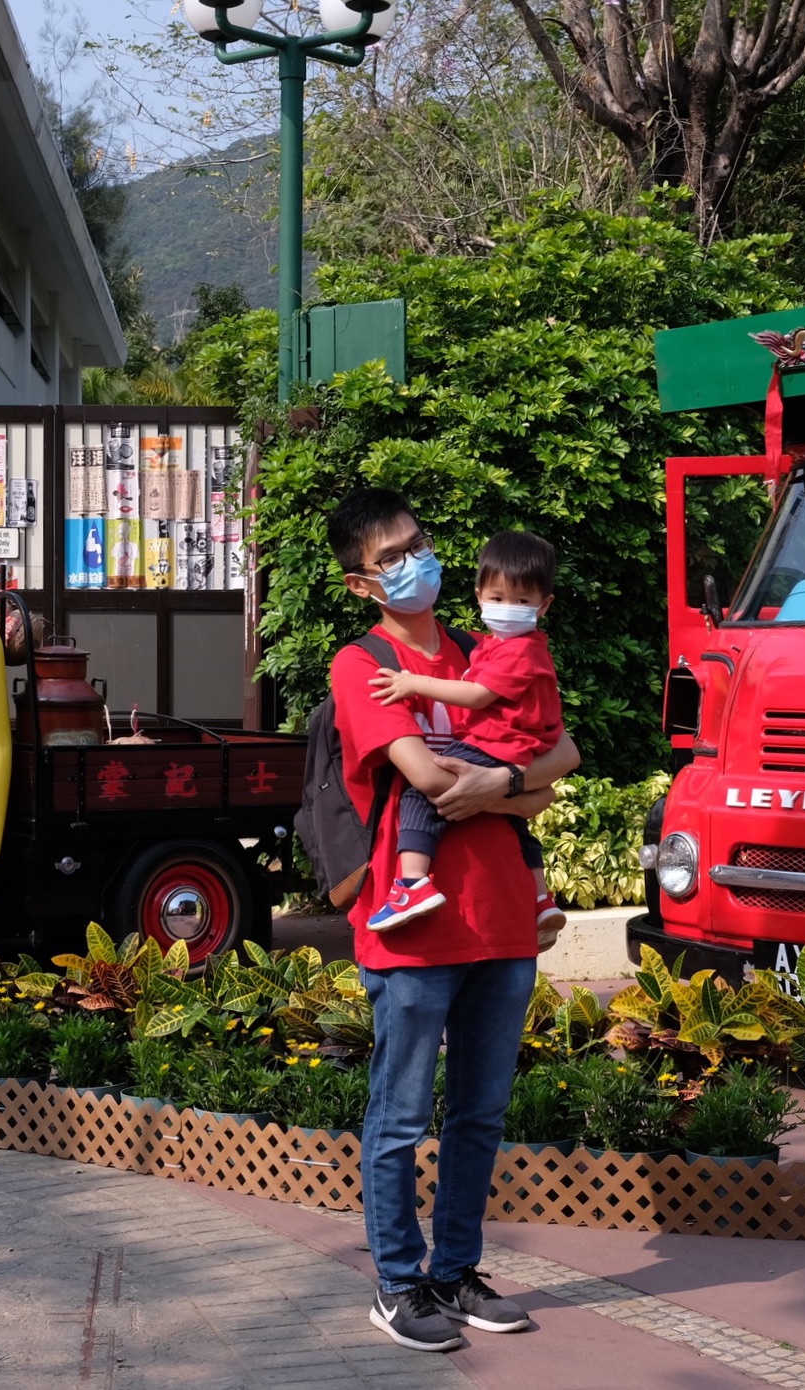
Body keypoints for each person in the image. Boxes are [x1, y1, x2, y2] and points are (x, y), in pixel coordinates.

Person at [326, 487, 580, 1353]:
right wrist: (506, 785)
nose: (412, 564)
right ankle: (398, 1284)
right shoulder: (362, 665)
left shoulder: (490, 644)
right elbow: (429, 783)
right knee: (399, 1117)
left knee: (478, 1113)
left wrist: (502, 786)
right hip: (413, 928)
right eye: (390, 558)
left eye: (418, 544)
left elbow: (563, 757)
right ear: (362, 584)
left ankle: (455, 1271)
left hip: (502, 919)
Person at [367, 530, 567, 936]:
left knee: (420, 796)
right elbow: (555, 765)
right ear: (479, 596)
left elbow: (476, 695)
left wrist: (412, 683)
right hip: (517, 751)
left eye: (521, 601)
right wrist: (512, 798)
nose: (507, 608)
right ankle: (541, 897)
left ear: (544, 606)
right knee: (518, 825)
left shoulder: (518, 650)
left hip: (498, 746)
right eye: (496, 598)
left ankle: (411, 885)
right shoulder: (496, 645)